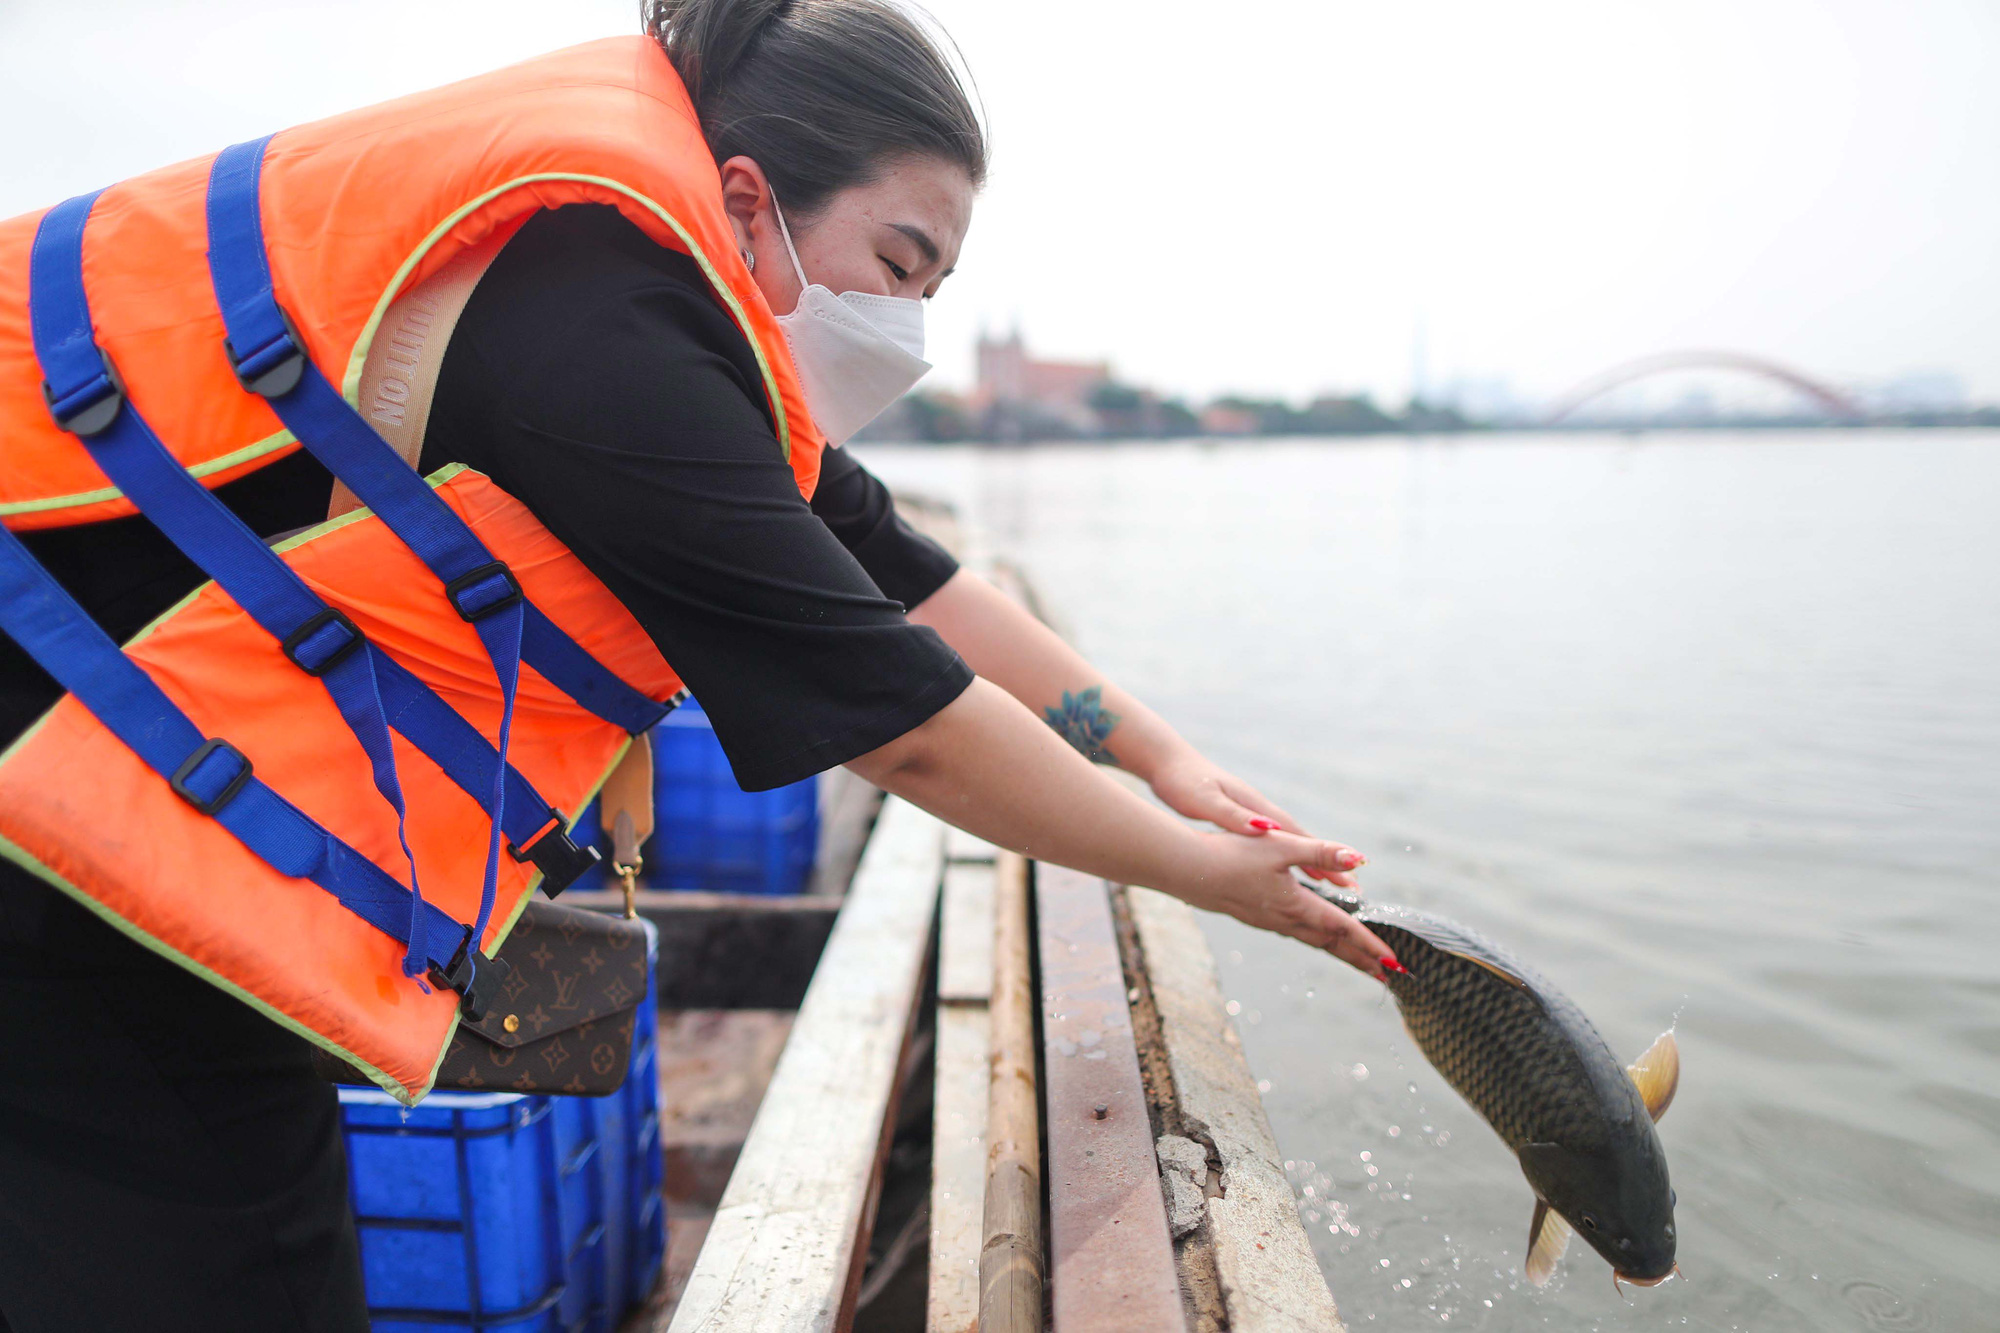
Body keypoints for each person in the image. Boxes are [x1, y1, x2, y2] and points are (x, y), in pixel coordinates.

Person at [0, 0, 1400, 1327]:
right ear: (745, 199)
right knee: (235, 1259)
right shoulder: (603, 338)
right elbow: (904, 724)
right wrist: (1205, 875)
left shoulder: (651, 305)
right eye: (900, 262)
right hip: (40, 779)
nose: (906, 324)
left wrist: (1157, 754)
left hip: (92, 734)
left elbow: (912, 576)